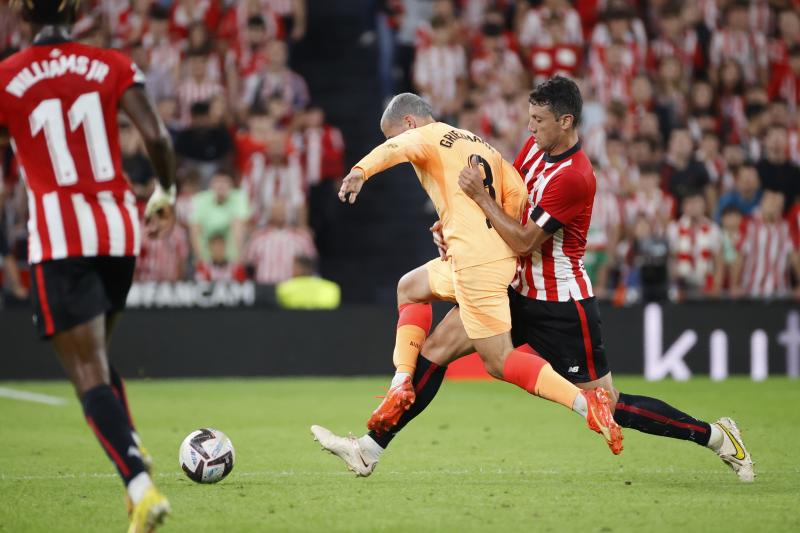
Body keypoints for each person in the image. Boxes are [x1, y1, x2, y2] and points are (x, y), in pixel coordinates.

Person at [312, 76, 754, 483]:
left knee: (609, 403)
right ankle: (369, 449)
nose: (531, 126)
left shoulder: (575, 177)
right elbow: (510, 197)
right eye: (531, 117)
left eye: (539, 120)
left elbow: (524, 238)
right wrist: (455, 224)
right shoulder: (535, 150)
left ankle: (717, 437)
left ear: (566, 121)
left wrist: (479, 200)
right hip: (512, 284)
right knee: (435, 350)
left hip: (561, 304)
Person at [320, 90, 624, 457]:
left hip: (477, 267)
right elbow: (516, 192)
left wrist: (359, 171)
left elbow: (394, 150)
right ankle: (397, 389)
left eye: (393, 135)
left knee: (499, 361)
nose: (394, 142)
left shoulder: (424, 136)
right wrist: (462, 225)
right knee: (409, 287)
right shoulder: (473, 141)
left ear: (410, 123)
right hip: (490, 257)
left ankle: (586, 404)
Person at [0, 1, 176, 531]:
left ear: (20, 14)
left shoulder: (7, 77)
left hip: (61, 237)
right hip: (119, 229)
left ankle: (140, 488)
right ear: (73, 10)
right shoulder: (110, 63)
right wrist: (166, 193)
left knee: (86, 374)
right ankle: (134, 448)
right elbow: (158, 137)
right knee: (97, 357)